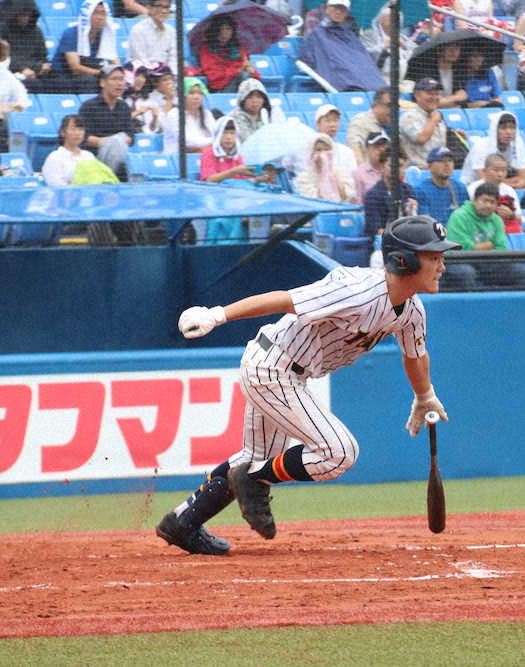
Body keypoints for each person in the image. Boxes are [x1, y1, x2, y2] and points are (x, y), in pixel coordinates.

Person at [155, 215, 455, 554]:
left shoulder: (413, 311)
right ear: (405, 260)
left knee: (255, 457)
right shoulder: (356, 289)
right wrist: (218, 315)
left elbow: (415, 354)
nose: (442, 265)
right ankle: (252, 478)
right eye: (433, 257)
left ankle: (182, 522)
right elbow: (285, 299)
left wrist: (424, 395)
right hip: (272, 365)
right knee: (339, 453)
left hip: (289, 373)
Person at [443, 182, 525, 288]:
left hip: (488, 261)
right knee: (465, 273)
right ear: (474, 201)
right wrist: (489, 245)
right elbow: (460, 248)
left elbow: (501, 248)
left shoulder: (497, 220)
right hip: (460, 261)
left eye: (492, 202)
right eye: (484, 201)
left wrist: (477, 247)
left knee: (522, 273)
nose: (488, 205)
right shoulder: (459, 216)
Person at [299, 0, 386, 92]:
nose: (338, 12)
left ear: (347, 13)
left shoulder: (349, 31)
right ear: (327, 9)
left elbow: (360, 55)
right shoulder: (316, 31)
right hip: (334, 66)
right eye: (336, 8)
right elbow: (315, 51)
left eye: (342, 9)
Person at [49, 0, 119, 94]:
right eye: (95, 13)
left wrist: (119, 75)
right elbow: (75, 68)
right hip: (64, 77)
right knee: (90, 81)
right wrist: (103, 74)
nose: (100, 18)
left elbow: (114, 59)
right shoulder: (71, 33)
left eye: (103, 14)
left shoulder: (104, 36)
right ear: (86, 14)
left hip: (91, 75)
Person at [80, 64, 136, 179]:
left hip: (121, 154)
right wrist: (109, 142)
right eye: (114, 79)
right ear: (102, 83)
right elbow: (84, 137)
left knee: (119, 141)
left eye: (121, 80)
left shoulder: (124, 106)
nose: (120, 84)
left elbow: (130, 136)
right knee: (115, 143)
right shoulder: (89, 106)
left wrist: (117, 142)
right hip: (95, 156)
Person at [460, 111, 525, 189]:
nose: (508, 132)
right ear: (494, 129)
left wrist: (503, 183)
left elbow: (523, 179)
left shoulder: (518, 144)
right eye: (503, 128)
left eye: (512, 128)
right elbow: (485, 181)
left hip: (504, 188)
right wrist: (515, 185)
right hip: (473, 188)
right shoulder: (480, 146)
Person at [0, 0, 51, 93]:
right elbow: (1, 56)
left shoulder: (36, 31)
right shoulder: (2, 29)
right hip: (11, 72)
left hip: (36, 72)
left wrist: (43, 66)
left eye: (27, 15)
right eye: (22, 15)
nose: (25, 18)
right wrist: (22, 69)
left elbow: (42, 55)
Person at [286, 104, 357, 175]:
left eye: (335, 121)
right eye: (327, 121)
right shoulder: (303, 146)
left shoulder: (346, 151)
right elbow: (287, 164)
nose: (332, 124)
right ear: (318, 124)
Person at [364, 147, 418, 237]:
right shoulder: (372, 195)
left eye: (400, 166)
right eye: (392, 165)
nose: (396, 169)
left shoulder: (408, 190)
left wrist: (412, 213)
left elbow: (415, 224)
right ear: (382, 167)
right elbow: (377, 230)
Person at [198, 14, 258, 94]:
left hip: (240, 84)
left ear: (233, 31)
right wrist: (237, 71)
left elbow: (254, 75)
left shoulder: (239, 47)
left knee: (247, 77)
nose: (224, 33)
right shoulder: (206, 48)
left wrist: (251, 70)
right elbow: (213, 75)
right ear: (214, 31)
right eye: (220, 29)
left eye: (228, 29)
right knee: (244, 76)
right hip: (219, 88)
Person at [400, 78, 451, 169]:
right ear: (417, 95)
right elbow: (421, 139)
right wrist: (433, 120)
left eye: (437, 94)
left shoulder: (437, 115)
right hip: (418, 171)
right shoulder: (409, 117)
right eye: (430, 94)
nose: (434, 98)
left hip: (438, 170)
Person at [468, 154, 525, 233]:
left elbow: (521, 218)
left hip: (506, 230)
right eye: (496, 170)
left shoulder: (509, 190)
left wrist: (511, 215)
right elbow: (468, 216)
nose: (500, 174)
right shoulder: (473, 189)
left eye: (503, 170)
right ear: (485, 171)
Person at [361, 5, 417, 85]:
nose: (396, 21)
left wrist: (404, 44)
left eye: (398, 18)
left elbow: (417, 50)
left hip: (399, 77)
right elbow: (363, 52)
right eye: (392, 18)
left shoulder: (402, 37)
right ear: (381, 19)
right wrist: (382, 47)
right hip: (377, 76)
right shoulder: (370, 34)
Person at [41, 114, 103, 186]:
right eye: (73, 129)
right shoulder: (55, 157)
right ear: (63, 132)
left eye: (81, 130)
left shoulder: (89, 155)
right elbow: (56, 185)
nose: (77, 133)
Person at [414, 146, 470, 225]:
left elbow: (467, 218)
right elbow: (425, 223)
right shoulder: (420, 190)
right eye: (441, 161)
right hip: (433, 234)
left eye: (450, 161)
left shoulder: (460, 188)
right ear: (430, 166)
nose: (447, 164)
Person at [294, 134, 356, 203]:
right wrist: (323, 175)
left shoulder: (342, 173)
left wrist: (330, 174)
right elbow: (316, 200)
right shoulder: (304, 178)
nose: (323, 154)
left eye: (326, 149)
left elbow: (345, 196)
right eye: (318, 150)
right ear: (311, 153)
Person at [161, 77, 215, 154]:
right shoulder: (174, 114)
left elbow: (216, 135)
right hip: (179, 158)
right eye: (191, 93)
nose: (196, 97)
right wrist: (212, 144)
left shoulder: (207, 114)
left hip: (205, 154)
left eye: (200, 93)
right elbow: (187, 142)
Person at [200, 117, 256, 183]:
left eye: (232, 133)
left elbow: (244, 181)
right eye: (224, 133)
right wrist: (233, 171)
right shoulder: (209, 153)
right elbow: (209, 180)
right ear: (217, 134)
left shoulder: (238, 155)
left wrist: (259, 179)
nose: (228, 137)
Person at [346, 87, 394, 164]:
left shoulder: (393, 125)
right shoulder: (361, 121)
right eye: (389, 105)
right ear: (375, 105)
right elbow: (355, 149)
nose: (393, 110)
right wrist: (364, 173)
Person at [228, 78, 283, 143]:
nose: (255, 101)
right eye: (249, 97)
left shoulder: (271, 114)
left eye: (259, 97)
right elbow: (247, 140)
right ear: (242, 99)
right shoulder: (234, 117)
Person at [129, 0, 176, 72]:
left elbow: (174, 59)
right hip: (145, 75)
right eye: (159, 6)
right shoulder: (138, 30)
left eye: (166, 7)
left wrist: (171, 75)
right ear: (149, 8)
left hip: (166, 77)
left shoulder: (171, 31)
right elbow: (140, 60)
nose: (163, 11)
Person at [352, 131, 389, 204]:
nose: (382, 149)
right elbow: (357, 204)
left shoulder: (394, 170)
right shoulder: (359, 173)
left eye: (384, 146)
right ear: (367, 149)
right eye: (377, 146)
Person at [430, 42, 468, 108]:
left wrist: (458, 104)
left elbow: (463, 96)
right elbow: (433, 102)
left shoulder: (458, 72)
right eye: (449, 47)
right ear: (439, 51)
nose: (453, 51)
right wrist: (456, 97)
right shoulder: (429, 72)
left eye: (457, 48)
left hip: (454, 112)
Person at [145, 68, 177, 134]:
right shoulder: (149, 100)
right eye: (165, 80)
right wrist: (170, 100)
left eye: (171, 79)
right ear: (155, 83)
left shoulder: (178, 96)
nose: (169, 82)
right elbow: (154, 129)